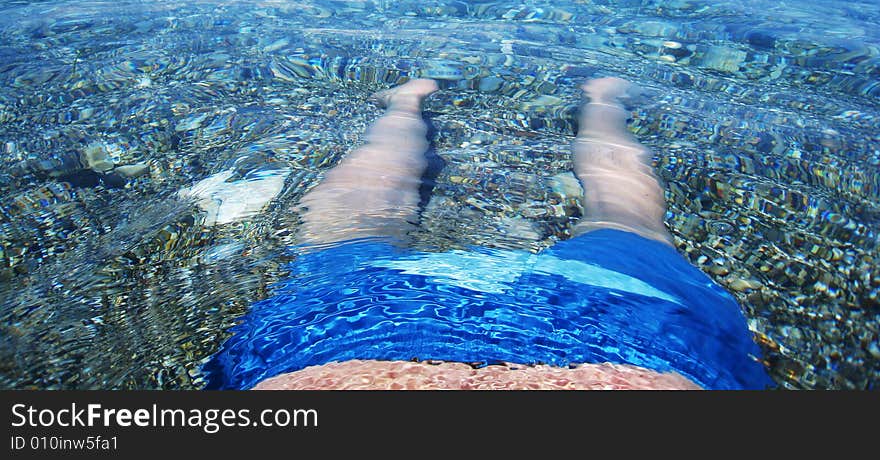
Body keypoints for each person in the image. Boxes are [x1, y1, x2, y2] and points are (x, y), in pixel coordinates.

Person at [203, 77, 771, 390]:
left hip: (617, 329)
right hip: (346, 341)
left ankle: (406, 103)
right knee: (626, 218)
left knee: (624, 218)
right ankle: (602, 99)